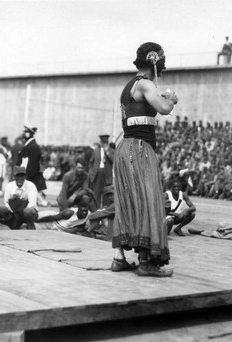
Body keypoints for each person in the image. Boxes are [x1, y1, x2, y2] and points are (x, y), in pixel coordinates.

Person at [111, 42, 178, 277]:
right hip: (140, 149)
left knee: (128, 200)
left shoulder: (128, 86)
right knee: (148, 200)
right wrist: (172, 99)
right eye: (162, 58)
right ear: (153, 60)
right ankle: (146, 262)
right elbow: (164, 108)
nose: (164, 61)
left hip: (124, 149)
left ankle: (118, 257)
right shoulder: (146, 84)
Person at [17, 125, 48, 206]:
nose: (24, 134)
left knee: (31, 188)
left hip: (31, 173)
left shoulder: (33, 146)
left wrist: (28, 174)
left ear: (30, 134)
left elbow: (33, 163)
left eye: (26, 132)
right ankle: (41, 201)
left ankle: (42, 201)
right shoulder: (29, 145)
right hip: (27, 172)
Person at [89, 134, 114, 207]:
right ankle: (96, 209)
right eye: (103, 142)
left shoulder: (112, 151)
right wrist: (91, 172)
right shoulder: (96, 151)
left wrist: (107, 153)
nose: (104, 144)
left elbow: (113, 160)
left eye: (105, 142)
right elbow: (91, 162)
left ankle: (105, 209)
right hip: (97, 174)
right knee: (96, 193)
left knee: (106, 193)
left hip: (106, 175)